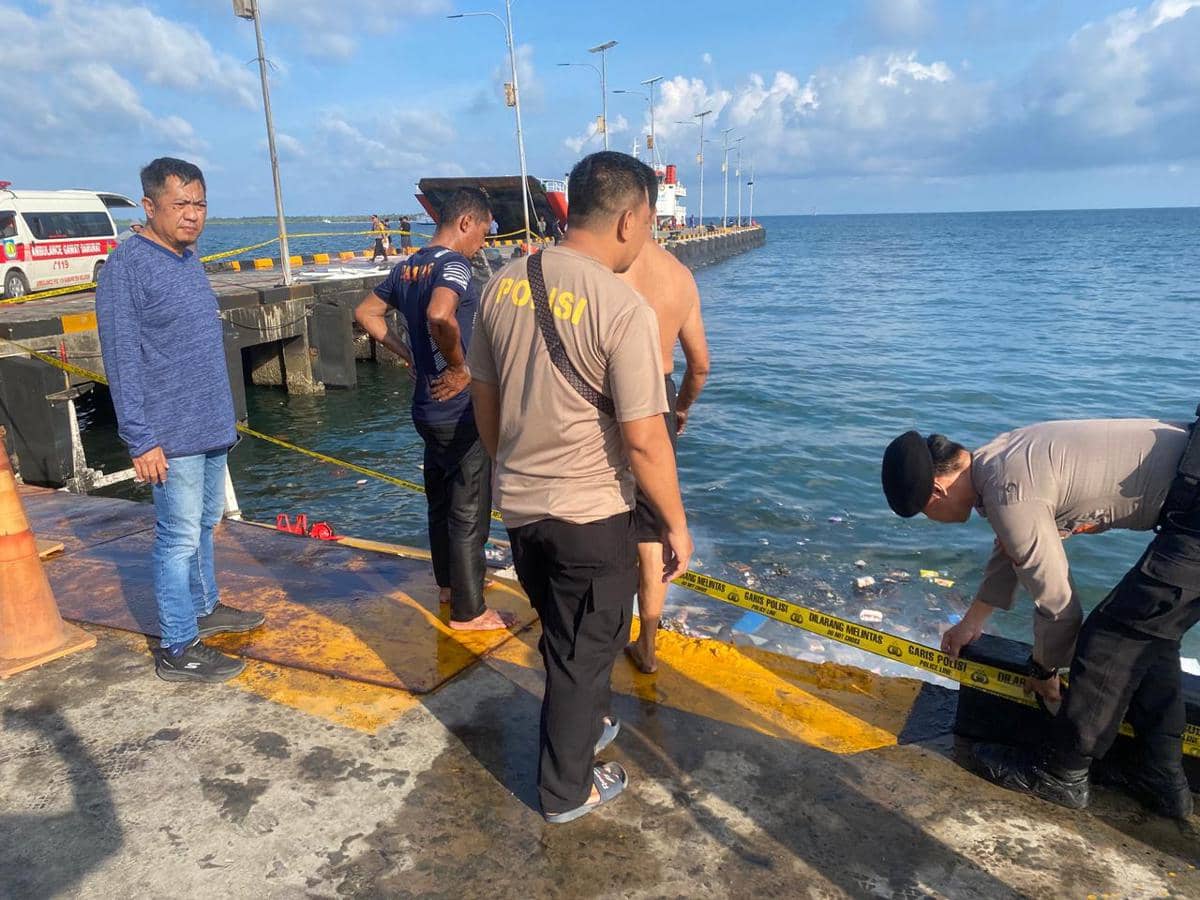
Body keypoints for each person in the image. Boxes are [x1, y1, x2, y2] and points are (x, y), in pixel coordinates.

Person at [468, 151, 693, 823]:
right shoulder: (621, 307)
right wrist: (677, 526)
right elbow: (647, 439)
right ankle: (567, 791)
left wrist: (513, 468)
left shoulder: (501, 284)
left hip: (522, 510)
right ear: (630, 219)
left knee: (566, 639)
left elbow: (485, 402)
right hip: (592, 515)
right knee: (583, 650)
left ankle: (585, 728)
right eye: (649, 225)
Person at [881, 417, 1199, 818]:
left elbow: (1059, 607)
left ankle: (1061, 778)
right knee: (1152, 634)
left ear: (937, 492)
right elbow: (1012, 546)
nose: (934, 521)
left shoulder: (1008, 493)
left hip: (1195, 511)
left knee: (1109, 639)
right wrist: (972, 622)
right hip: (1190, 493)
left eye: (927, 514)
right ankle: (1163, 780)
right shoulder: (999, 457)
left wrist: (1045, 668)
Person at [96, 157, 264, 683]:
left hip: (211, 427)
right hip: (171, 435)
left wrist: (226, 422)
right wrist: (141, 440)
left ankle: (205, 608)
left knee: (206, 528)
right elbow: (122, 358)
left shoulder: (187, 259)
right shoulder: (128, 267)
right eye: (180, 205)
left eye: (200, 204)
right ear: (150, 207)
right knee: (177, 539)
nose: (192, 215)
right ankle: (177, 645)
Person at [355, 189, 513, 632]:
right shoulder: (454, 265)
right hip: (461, 407)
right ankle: (470, 610)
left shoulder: (406, 267)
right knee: (469, 506)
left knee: (440, 499)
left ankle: (448, 585)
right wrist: (462, 367)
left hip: (425, 404)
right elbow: (441, 315)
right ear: (465, 223)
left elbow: (366, 313)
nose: (482, 244)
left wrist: (408, 355)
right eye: (483, 233)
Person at [619, 238, 709, 674]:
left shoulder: (604, 263)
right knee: (651, 533)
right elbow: (700, 365)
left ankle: (603, 632)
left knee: (604, 514)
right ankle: (647, 645)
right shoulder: (679, 275)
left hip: (602, 393)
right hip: (659, 394)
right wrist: (681, 408)